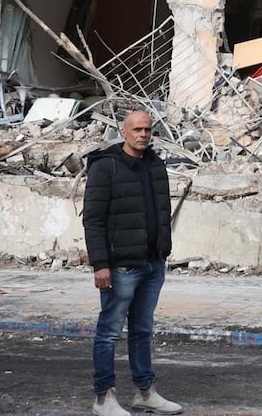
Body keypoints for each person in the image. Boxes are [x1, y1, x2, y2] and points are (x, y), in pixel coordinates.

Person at [83, 109, 183, 416]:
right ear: (124, 132)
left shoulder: (155, 165)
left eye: (148, 130)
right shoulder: (106, 167)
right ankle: (103, 398)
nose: (143, 134)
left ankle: (145, 393)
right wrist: (100, 265)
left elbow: (161, 213)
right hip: (120, 268)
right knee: (109, 332)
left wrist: (162, 253)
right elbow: (93, 220)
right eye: (137, 129)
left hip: (152, 265)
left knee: (142, 331)